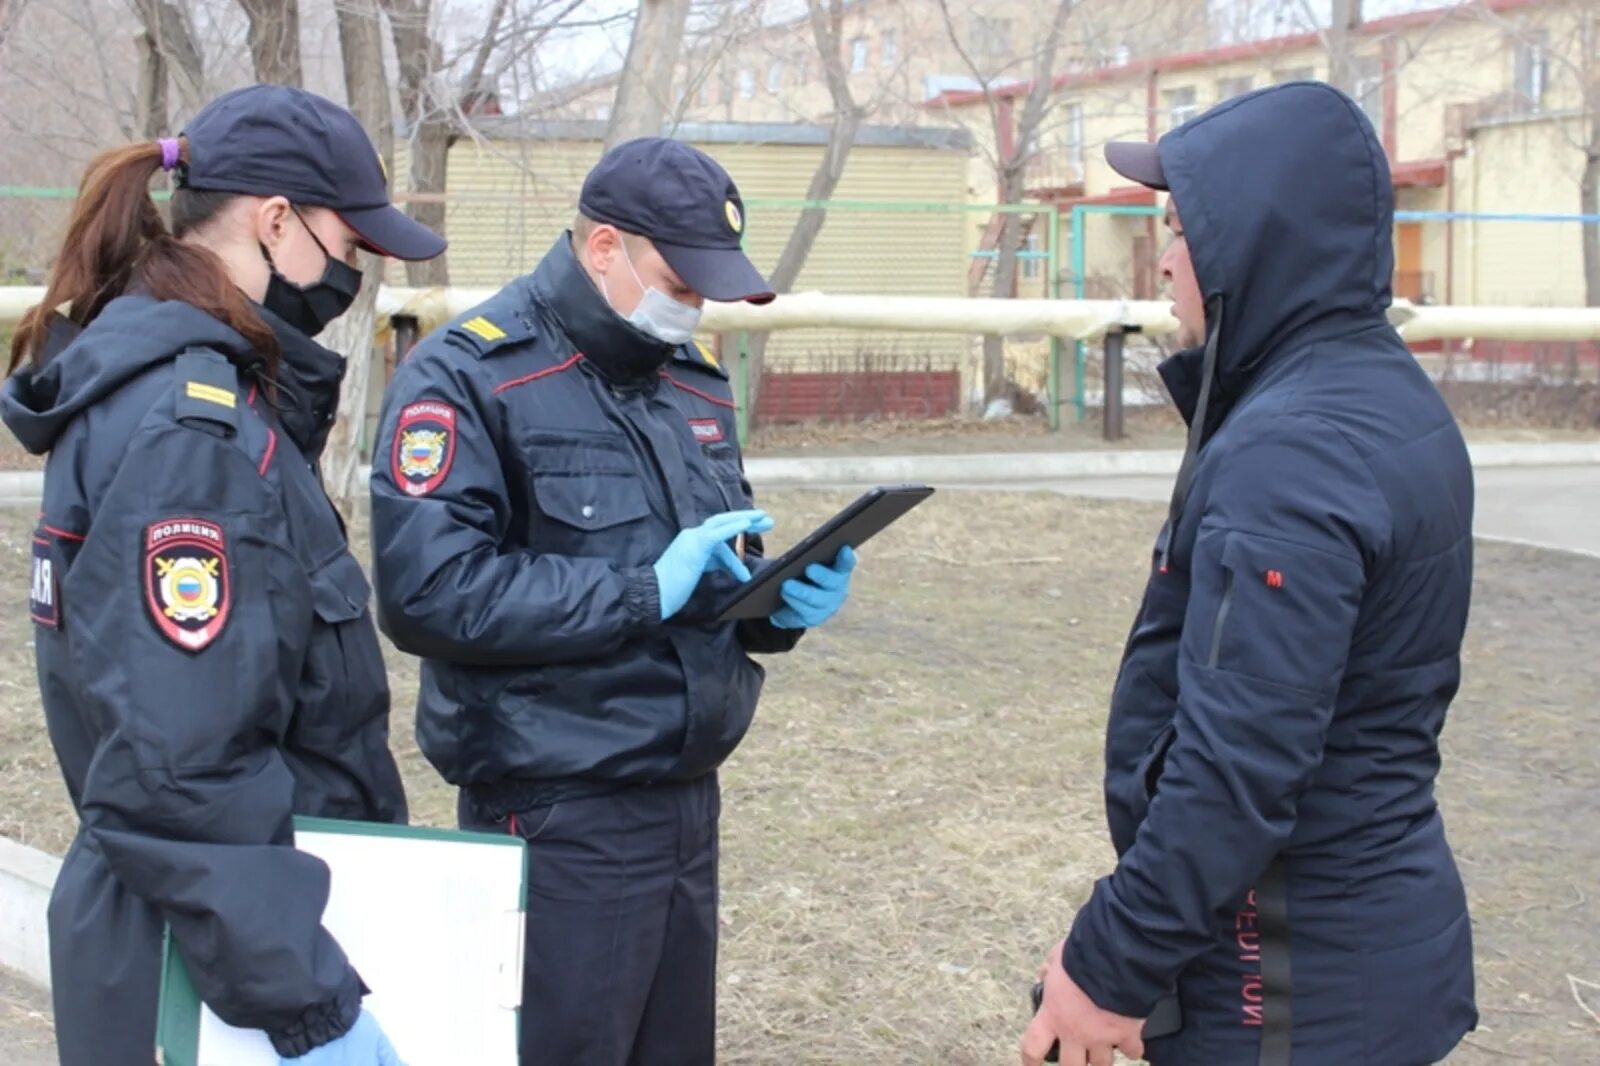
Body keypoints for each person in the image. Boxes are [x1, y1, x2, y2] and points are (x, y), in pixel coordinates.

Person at [369, 136, 856, 1064]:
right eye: (681, 278)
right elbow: (428, 593)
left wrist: (771, 606)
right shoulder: (473, 376)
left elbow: (703, 579)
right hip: (561, 809)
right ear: (604, 250)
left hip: (684, 795)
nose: (696, 304)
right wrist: (641, 589)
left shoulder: (690, 382)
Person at [1022, 82, 1477, 1066]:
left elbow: (1236, 766)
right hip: (1364, 948)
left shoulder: (1294, 453)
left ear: (1256, 239)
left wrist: (1108, 964)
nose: (1167, 257)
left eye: (1183, 227)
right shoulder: (1383, 394)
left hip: (1294, 982)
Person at [3, 85, 445, 1066]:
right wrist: (306, 1013)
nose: (357, 268)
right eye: (350, 239)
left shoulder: (200, 392)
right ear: (276, 218)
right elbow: (177, 771)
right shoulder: (189, 431)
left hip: (222, 936)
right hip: (211, 976)